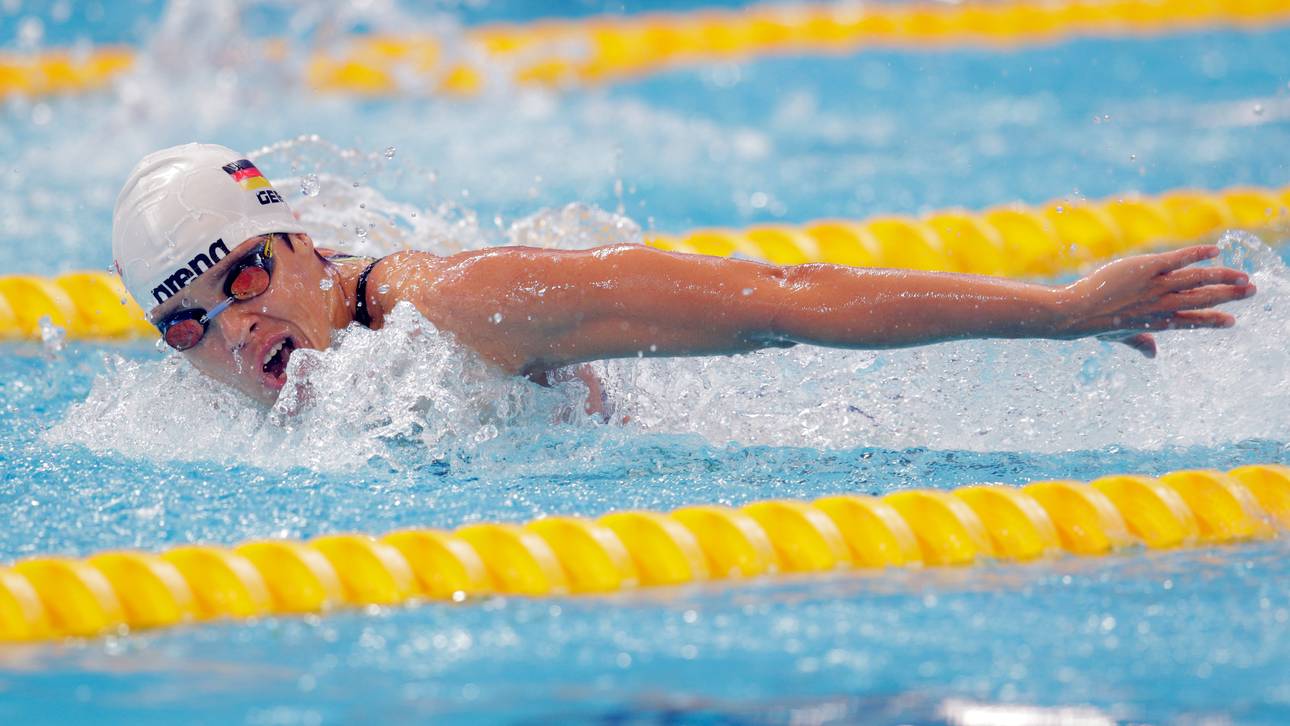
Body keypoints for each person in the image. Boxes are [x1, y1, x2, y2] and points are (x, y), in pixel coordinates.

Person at [113, 143, 1256, 408]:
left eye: (245, 277)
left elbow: (778, 302)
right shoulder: (211, 405)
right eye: (184, 323)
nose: (229, 330)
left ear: (301, 244)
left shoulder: (460, 306)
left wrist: (1061, 313)